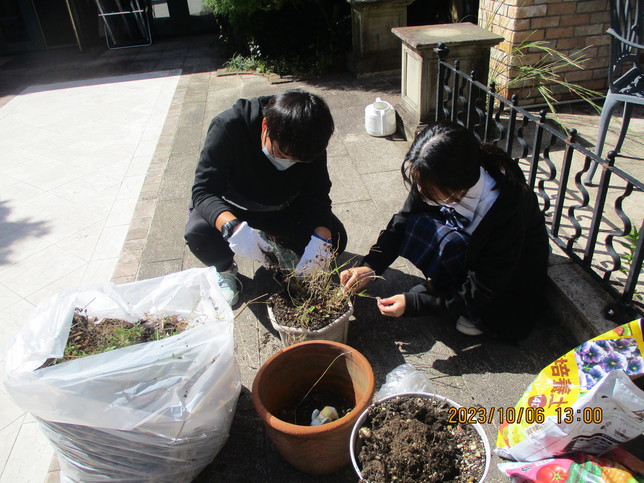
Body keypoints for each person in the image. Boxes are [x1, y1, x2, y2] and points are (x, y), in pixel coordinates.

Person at [341, 121, 549, 343]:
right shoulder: (434, 176)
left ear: (458, 184)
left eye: (429, 190)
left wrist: (415, 304)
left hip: (506, 283)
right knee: (418, 224)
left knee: (484, 308)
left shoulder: (507, 208)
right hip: (473, 248)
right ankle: (444, 288)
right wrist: (370, 266)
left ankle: (472, 311)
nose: (420, 191)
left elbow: (484, 286)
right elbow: (403, 221)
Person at [185, 89, 347, 305]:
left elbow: (317, 193)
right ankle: (225, 269)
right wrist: (231, 227)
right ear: (265, 127)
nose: (289, 162)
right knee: (198, 233)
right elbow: (203, 191)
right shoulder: (229, 127)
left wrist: (321, 237)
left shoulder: (310, 141)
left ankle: (275, 238)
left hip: (284, 208)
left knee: (335, 238)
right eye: (283, 154)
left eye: (298, 161)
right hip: (234, 206)